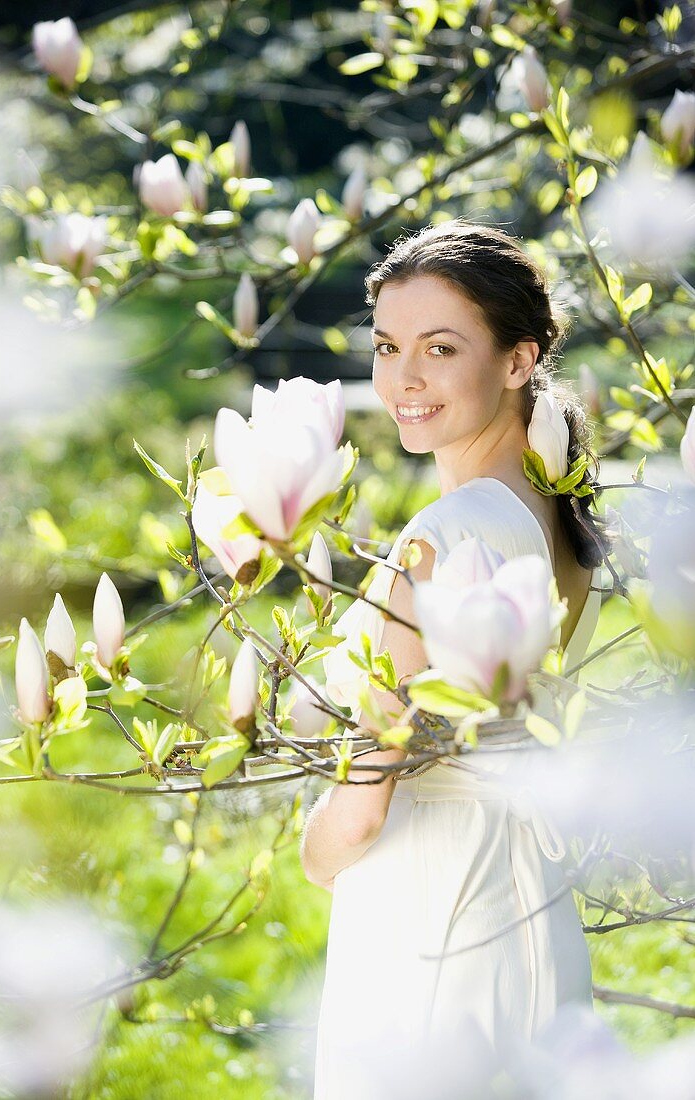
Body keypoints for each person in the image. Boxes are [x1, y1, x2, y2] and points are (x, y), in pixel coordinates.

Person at [299, 220, 613, 1099]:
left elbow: (360, 811)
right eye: (389, 346)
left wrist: (314, 849)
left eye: (441, 349)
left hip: (430, 906)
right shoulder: (562, 520)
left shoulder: (441, 539)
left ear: (519, 360)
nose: (404, 378)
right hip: (533, 904)